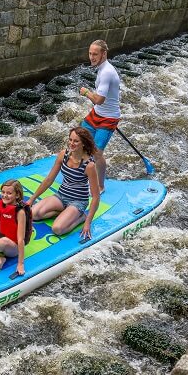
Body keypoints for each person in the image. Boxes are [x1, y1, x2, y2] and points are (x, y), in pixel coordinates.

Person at [28, 127, 100, 240]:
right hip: (61, 196)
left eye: (76, 141)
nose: (72, 143)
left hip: (77, 201)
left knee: (57, 229)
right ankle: (63, 212)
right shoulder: (63, 155)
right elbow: (49, 179)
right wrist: (32, 199)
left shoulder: (89, 165)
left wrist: (88, 222)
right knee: (33, 214)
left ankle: (81, 217)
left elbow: (96, 197)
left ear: (84, 144)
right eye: (70, 139)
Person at [78, 39, 121, 192]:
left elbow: (99, 100)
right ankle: (80, 174)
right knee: (78, 139)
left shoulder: (107, 72)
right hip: (96, 113)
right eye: (90, 53)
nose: (91, 57)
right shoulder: (102, 69)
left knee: (96, 153)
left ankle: (100, 186)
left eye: (95, 54)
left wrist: (86, 92)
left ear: (104, 54)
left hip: (109, 118)